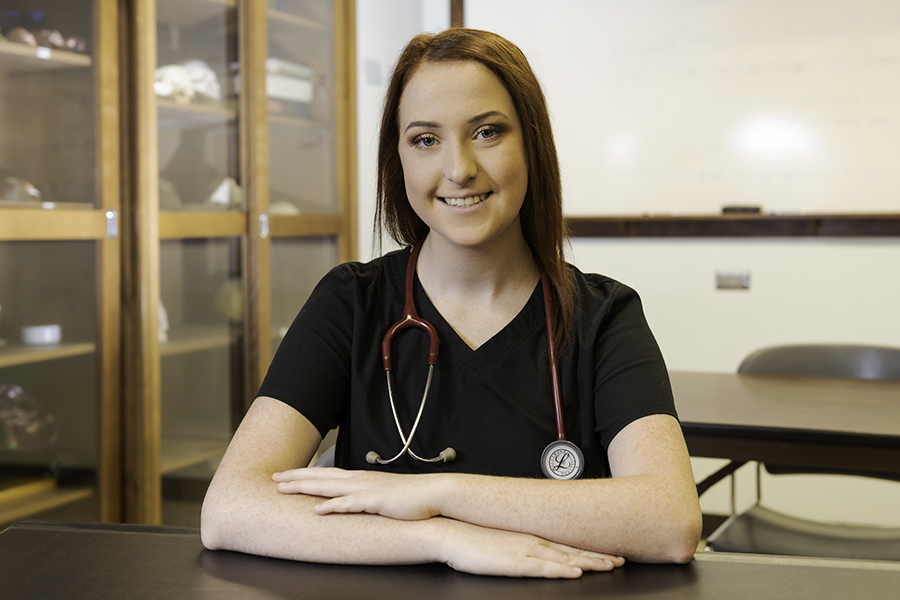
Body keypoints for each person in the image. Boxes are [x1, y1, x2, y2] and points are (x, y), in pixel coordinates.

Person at [201, 28, 702, 578]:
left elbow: (669, 519)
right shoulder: (351, 303)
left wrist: (435, 494)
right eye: (425, 139)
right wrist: (444, 538)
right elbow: (229, 509)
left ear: (531, 144)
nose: (458, 168)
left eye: (487, 132)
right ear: (399, 160)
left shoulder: (604, 315)